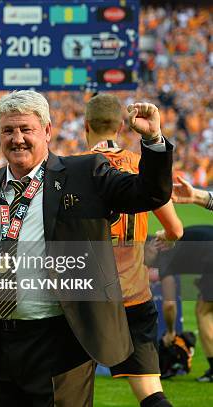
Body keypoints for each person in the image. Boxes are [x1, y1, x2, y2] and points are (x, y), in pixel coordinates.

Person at [0, 90, 173, 406]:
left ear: (47, 132)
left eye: (26, 129)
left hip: (60, 345)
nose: (17, 138)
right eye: (8, 130)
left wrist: (154, 141)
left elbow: (149, 195)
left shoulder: (84, 173)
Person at [83, 93, 183, 407]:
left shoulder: (73, 168)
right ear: (121, 126)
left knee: (62, 389)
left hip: (86, 297)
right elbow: (176, 229)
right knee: (152, 395)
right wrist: (166, 236)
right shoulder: (142, 166)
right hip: (134, 294)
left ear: (86, 126)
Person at [146, 226, 213, 382]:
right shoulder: (167, 244)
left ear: (150, 247)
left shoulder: (163, 256)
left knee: (203, 312)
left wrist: (170, 332)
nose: (144, 263)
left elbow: (169, 304)